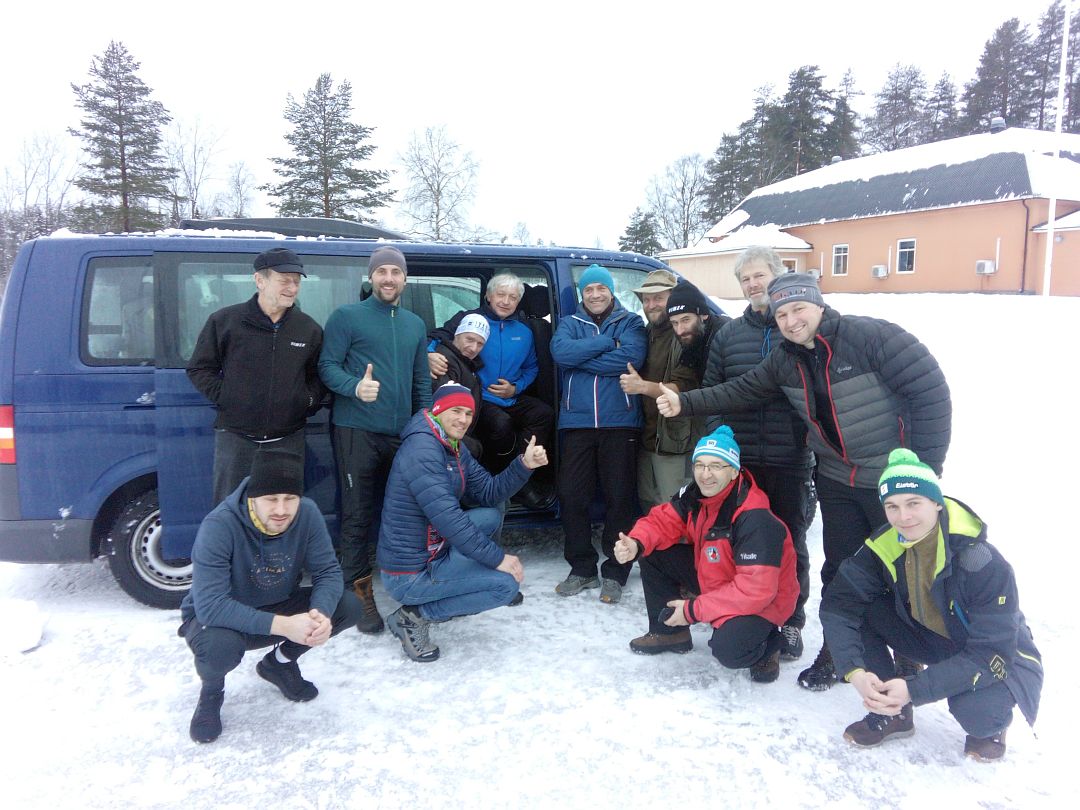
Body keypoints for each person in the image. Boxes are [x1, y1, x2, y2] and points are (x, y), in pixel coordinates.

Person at [657, 271, 951, 690]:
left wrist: (924, 470)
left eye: (799, 309)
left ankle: (908, 657)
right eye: (782, 314)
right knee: (842, 569)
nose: (791, 321)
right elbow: (740, 390)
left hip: (890, 481)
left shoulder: (872, 337)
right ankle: (839, 651)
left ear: (818, 304)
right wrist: (684, 402)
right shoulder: (786, 358)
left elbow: (931, 392)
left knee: (902, 567)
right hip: (837, 478)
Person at [821, 449, 1043, 761]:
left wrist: (913, 689)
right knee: (862, 611)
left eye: (914, 503)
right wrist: (855, 670)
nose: (903, 517)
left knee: (978, 714)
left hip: (997, 655)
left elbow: (993, 652)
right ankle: (892, 712)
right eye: (892, 506)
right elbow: (838, 605)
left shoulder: (981, 560)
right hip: (932, 638)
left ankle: (990, 728)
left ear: (936, 502)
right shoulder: (884, 545)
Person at [178, 446, 363, 744]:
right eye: (271, 499)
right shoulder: (219, 525)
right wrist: (285, 626)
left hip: (277, 603)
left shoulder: (307, 513)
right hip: (221, 618)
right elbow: (211, 606)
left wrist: (320, 614)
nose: (281, 510)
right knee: (218, 648)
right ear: (253, 497)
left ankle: (278, 663)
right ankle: (211, 693)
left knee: (348, 605)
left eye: (290, 498)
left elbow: (328, 571)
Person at [698, 247, 814, 663]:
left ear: (777, 275)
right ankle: (746, 616)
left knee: (790, 541)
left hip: (789, 458)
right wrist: (720, 440)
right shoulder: (728, 335)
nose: (752, 285)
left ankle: (791, 620)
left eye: (759, 275)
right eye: (745, 279)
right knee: (742, 542)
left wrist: (810, 438)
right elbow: (712, 391)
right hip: (741, 463)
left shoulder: (796, 329)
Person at [377, 383, 549, 662]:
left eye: (468, 413)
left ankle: (462, 581)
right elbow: (449, 518)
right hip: (409, 573)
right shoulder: (422, 449)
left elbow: (489, 492)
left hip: (432, 548)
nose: (463, 419)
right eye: (456, 411)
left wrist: (524, 465)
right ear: (438, 410)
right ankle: (414, 616)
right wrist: (496, 558)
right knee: (504, 586)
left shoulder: (451, 444)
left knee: (489, 515)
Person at [614, 426, 798, 683]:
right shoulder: (696, 495)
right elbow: (662, 520)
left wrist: (693, 610)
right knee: (653, 553)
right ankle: (670, 633)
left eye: (716, 466)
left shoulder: (755, 517)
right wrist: (636, 543)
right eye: (699, 465)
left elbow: (755, 591)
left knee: (728, 649)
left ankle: (769, 643)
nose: (705, 474)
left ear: (734, 471)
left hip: (764, 601)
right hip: (719, 575)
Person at [318, 245, 431, 635]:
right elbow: (326, 366)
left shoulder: (415, 324)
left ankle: (408, 584)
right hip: (357, 430)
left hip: (402, 434)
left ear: (405, 279)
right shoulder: (347, 317)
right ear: (371, 277)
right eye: (381, 271)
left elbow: (421, 381)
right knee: (357, 514)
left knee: (403, 513)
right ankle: (359, 597)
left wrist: (425, 427)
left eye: (395, 272)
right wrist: (354, 387)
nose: (388, 278)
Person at [187, 247, 325, 505]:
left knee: (282, 513)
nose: (292, 288)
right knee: (231, 510)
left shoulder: (308, 329)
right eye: (284, 280)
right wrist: (227, 397)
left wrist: (306, 400)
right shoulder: (225, 321)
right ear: (260, 280)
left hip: (287, 440)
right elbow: (199, 368)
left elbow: (318, 376)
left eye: (296, 282)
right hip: (237, 439)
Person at [551, 264, 647, 604]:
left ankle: (616, 571)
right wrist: (606, 343)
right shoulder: (569, 323)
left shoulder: (631, 322)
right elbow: (561, 354)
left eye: (601, 288)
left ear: (611, 291)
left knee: (620, 498)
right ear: (582, 293)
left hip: (620, 421)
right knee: (571, 495)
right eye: (589, 289)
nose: (595, 294)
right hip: (576, 423)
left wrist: (580, 358)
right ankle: (582, 568)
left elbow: (629, 359)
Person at [427, 273, 554, 503]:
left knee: (543, 414)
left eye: (512, 297)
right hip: (479, 396)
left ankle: (522, 476)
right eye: (501, 295)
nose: (506, 301)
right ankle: (498, 477)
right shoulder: (469, 319)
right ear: (488, 295)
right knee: (500, 424)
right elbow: (437, 338)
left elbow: (532, 368)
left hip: (510, 396)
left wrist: (515, 388)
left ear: (519, 301)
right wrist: (428, 355)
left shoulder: (525, 331)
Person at [618, 270, 700, 512]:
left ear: (673, 299)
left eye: (658, 298)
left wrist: (642, 386)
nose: (651, 305)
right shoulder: (645, 333)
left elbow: (684, 388)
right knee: (648, 506)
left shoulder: (684, 335)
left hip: (674, 440)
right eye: (646, 299)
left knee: (673, 508)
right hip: (646, 438)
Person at [430, 313, 489, 458]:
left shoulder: (466, 363)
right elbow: (443, 411)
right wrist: (471, 446)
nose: (473, 348)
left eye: (480, 344)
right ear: (457, 334)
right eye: (469, 339)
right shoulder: (443, 361)